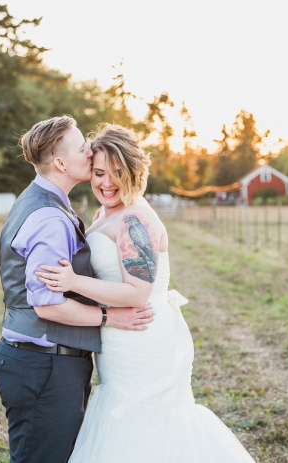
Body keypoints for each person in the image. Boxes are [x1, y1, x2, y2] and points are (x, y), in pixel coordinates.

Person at [36, 124, 255, 463]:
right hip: (118, 339)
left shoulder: (135, 218)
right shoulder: (104, 212)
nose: (106, 183)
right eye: (98, 173)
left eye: (117, 173)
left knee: (148, 422)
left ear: (134, 171)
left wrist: (72, 283)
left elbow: (138, 292)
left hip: (143, 335)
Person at [0, 115, 156, 463]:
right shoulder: (51, 218)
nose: (90, 150)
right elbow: (48, 306)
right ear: (61, 162)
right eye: (83, 147)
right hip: (45, 365)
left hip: (43, 360)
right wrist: (109, 317)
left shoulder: (42, 201)